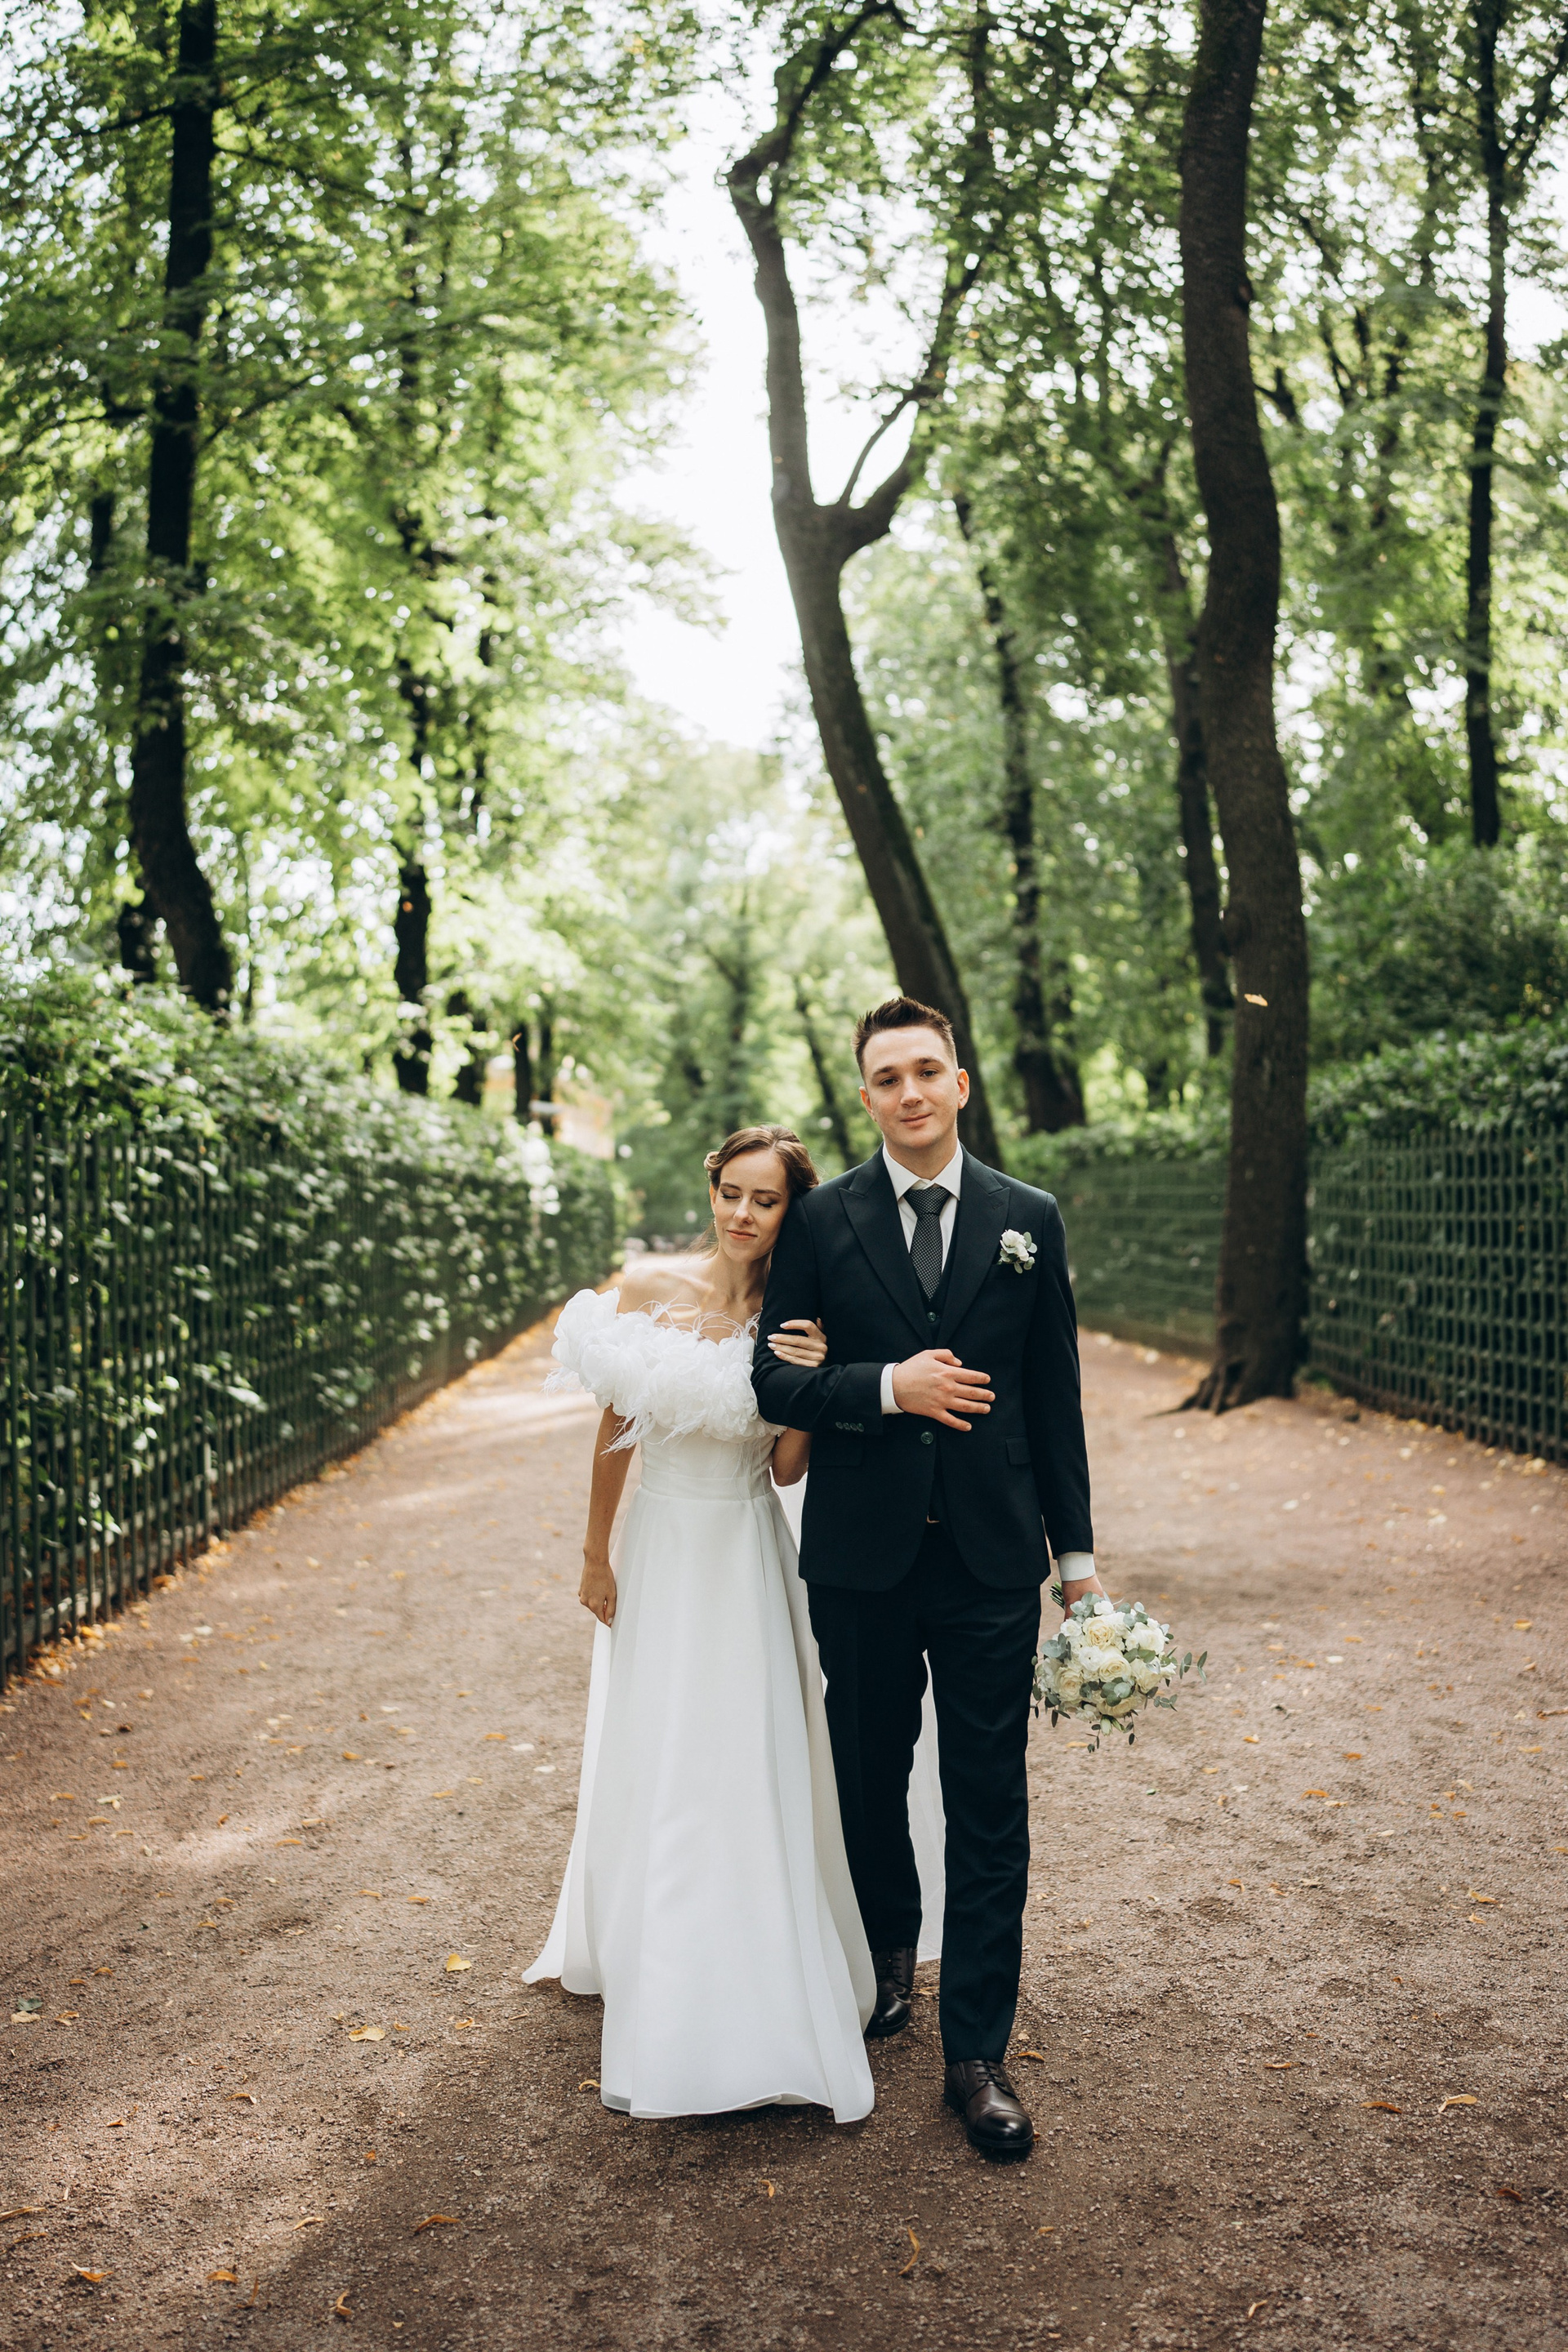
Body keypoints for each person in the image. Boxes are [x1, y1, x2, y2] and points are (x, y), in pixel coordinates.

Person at [752, 996, 1102, 2162]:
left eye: (926, 1071)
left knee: (990, 1799)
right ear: (866, 1097)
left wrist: (1077, 1562)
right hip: (862, 1555)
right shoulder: (821, 1220)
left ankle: (977, 2057)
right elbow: (775, 1381)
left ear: (960, 1082)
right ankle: (886, 1956)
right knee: (867, 1772)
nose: (908, 1091)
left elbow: (1053, 1393)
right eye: (886, 1077)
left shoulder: (1028, 1218)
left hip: (993, 1557)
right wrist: (882, 1387)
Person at [523, 1127, 878, 2123]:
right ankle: (655, 1960)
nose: (742, 1214)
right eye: (731, 1193)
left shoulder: (798, 1315)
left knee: (744, 1753)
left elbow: (787, 1468)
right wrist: (595, 1555)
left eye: (766, 1201)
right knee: (663, 1749)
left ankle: (758, 1973)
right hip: (663, 1551)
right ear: (712, 1190)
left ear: (791, 1212)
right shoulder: (648, 1291)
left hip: (746, 1549)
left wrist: (811, 1384)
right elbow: (615, 1432)